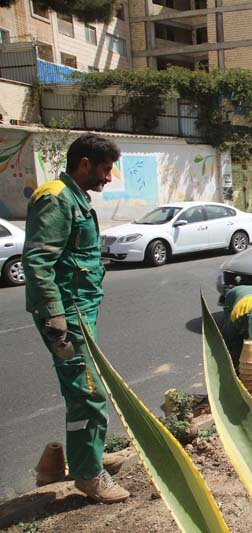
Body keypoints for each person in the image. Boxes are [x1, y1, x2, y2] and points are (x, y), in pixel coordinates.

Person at [22, 134, 129, 503]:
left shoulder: (74, 197)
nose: (109, 177)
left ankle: (91, 456)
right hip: (67, 317)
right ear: (84, 163)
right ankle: (87, 474)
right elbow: (37, 262)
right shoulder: (55, 198)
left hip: (81, 314)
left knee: (89, 389)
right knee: (88, 394)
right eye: (105, 168)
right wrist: (55, 316)